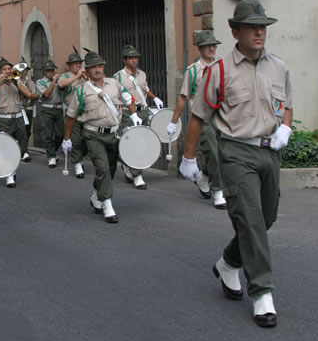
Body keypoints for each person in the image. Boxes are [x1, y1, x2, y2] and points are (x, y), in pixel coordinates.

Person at [179, 0, 291, 328]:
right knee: (252, 221)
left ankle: (229, 263)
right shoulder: (219, 71)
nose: (259, 32)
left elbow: (287, 106)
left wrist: (285, 125)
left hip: (270, 152)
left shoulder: (279, 67)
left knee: (266, 217)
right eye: (252, 27)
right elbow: (199, 116)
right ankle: (262, 293)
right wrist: (188, 158)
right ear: (235, 31)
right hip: (236, 153)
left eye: (263, 26)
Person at [62, 51, 140, 223]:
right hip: (92, 134)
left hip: (113, 133)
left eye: (100, 66)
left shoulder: (114, 83)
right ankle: (108, 204)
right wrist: (67, 139)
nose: (97, 70)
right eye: (93, 67)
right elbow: (71, 117)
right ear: (87, 71)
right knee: (102, 168)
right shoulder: (81, 90)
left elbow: (128, 98)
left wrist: (134, 115)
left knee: (110, 169)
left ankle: (97, 194)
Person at [169, 31, 226, 209]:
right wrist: (173, 121)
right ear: (199, 48)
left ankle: (203, 177)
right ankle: (217, 191)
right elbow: (183, 97)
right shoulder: (193, 71)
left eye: (213, 45)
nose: (211, 48)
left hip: (222, 118)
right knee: (214, 154)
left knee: (224, 155)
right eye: (208, 45)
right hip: (203, 119)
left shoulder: (221, 67)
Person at [113, 45, 165, 190]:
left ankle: (128, 163)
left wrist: (155, 98)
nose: (134, 60)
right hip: (128, 113)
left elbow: (145, 89)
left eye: (135, 57)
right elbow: (116, 96)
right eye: (130, 58)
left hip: (143, 110)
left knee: (144, 141)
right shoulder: (118, 77)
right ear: (125, 60)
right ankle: (137, 175)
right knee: (132, 143)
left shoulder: (142, 74)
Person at [0, 58, 36, 188]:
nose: (8, 71)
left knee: (19, 147)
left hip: (18, 117)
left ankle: (11, 169)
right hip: (3, 119)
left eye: (9, 69)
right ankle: (10, 174)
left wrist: (17, 82)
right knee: (7, 148)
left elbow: (29, 94)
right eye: (4, 70)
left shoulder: (16, 81)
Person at [57, 53, 88, 178]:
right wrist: (77, 76)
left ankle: (80, 157)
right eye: (75, 63)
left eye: (79, 63)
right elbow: (62, 84)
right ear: (69, 65)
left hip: (85, 112)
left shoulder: (85, 76)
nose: (78, 65)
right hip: (72, 112)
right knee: (75, 139)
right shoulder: (65, 76)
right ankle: (77, 164)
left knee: (87, 138)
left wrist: (86, 76)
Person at [35, 59, 64, 167]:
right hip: (47, 108)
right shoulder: (40, 82)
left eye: (52, 70)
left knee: (61, 134)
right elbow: (46, 95)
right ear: (44, 72)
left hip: (59, 108)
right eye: (48, 71)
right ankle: (51, 156)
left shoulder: (58, 80)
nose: (51, 73)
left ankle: (54, 150)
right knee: (47, 134)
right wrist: (52, 83)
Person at [18, 61, 39, 162]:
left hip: (28, 108)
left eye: (26, 70)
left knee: (27, 130)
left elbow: (34, 94)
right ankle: (24, 151)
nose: (24, 72)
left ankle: (24, 148)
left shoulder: (30, 82)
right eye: (23, 70)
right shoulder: (16, 81)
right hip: (18, 109)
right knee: (20, 131)